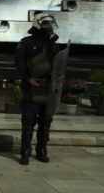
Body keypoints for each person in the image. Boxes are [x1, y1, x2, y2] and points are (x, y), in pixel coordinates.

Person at [15, 12, 60, 165]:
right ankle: (25, 151)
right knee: (29, 120)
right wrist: (28, 78)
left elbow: (58, 65)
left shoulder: (53, 45)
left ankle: (41, 150)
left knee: (45, 121)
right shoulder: (26, 43)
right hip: (31, 87)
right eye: (46, 23)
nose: (49, 26)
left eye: (51, 23)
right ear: (38, 24)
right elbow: (19, 62)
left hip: (47, 88)